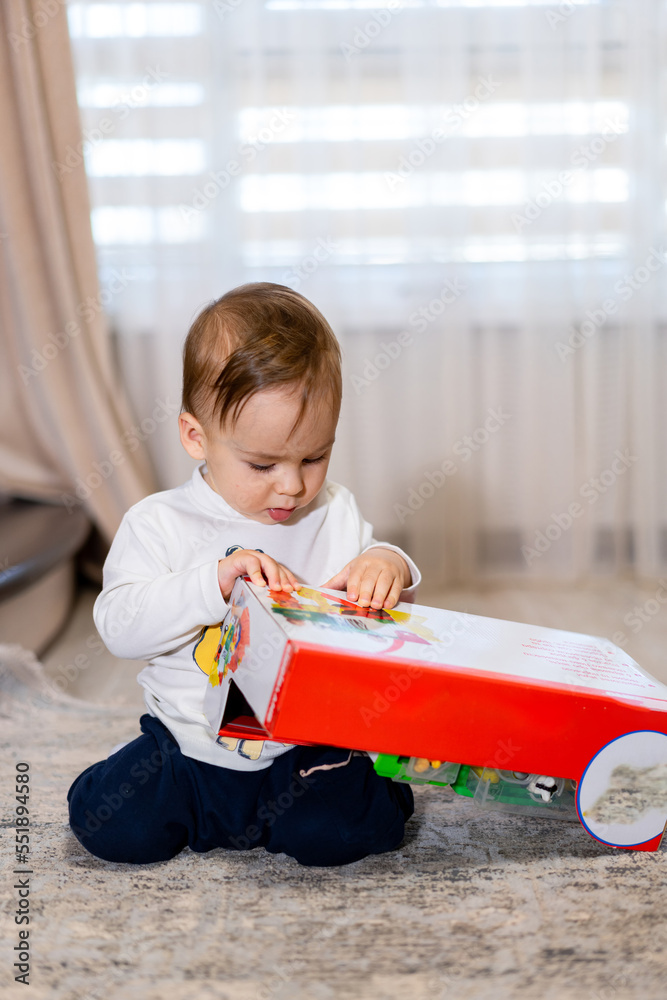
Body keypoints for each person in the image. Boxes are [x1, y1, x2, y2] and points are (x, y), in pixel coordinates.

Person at [68, 282, 420, 867]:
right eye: (262, 464)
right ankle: (178, 799)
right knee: (112, 827)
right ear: (195, 437)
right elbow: (120, 627)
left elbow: (376, 597)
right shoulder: (159, 522)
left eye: (314, 456)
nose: (292, 485)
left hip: (299, 754)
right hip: (185, 748)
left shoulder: (333, 510)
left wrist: (390, 564)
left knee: (345, 835)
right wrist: (214, 584)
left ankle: (358, 789)